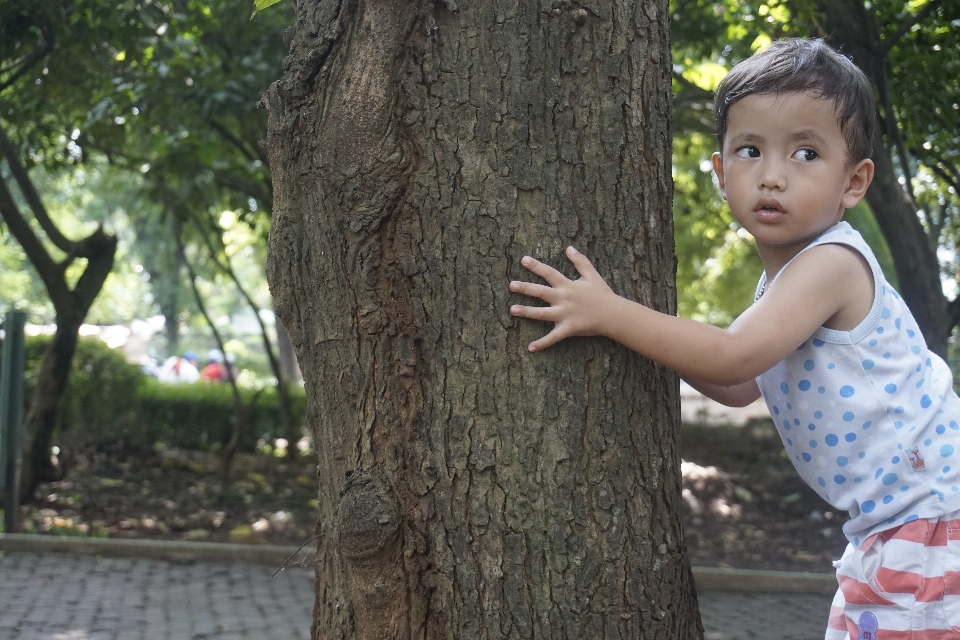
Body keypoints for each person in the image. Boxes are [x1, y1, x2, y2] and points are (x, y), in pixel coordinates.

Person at [509, 38, 960, 640]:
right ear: (721, 173)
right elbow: (741, 385)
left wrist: (610, 313)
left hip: (932, 521)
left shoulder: (832, 262)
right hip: (895, 525)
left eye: (805, 153)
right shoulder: (779, 288)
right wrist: (646, 335)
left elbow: (732, 357)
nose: (772, 176)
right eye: (750, 150)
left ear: (853, 182)